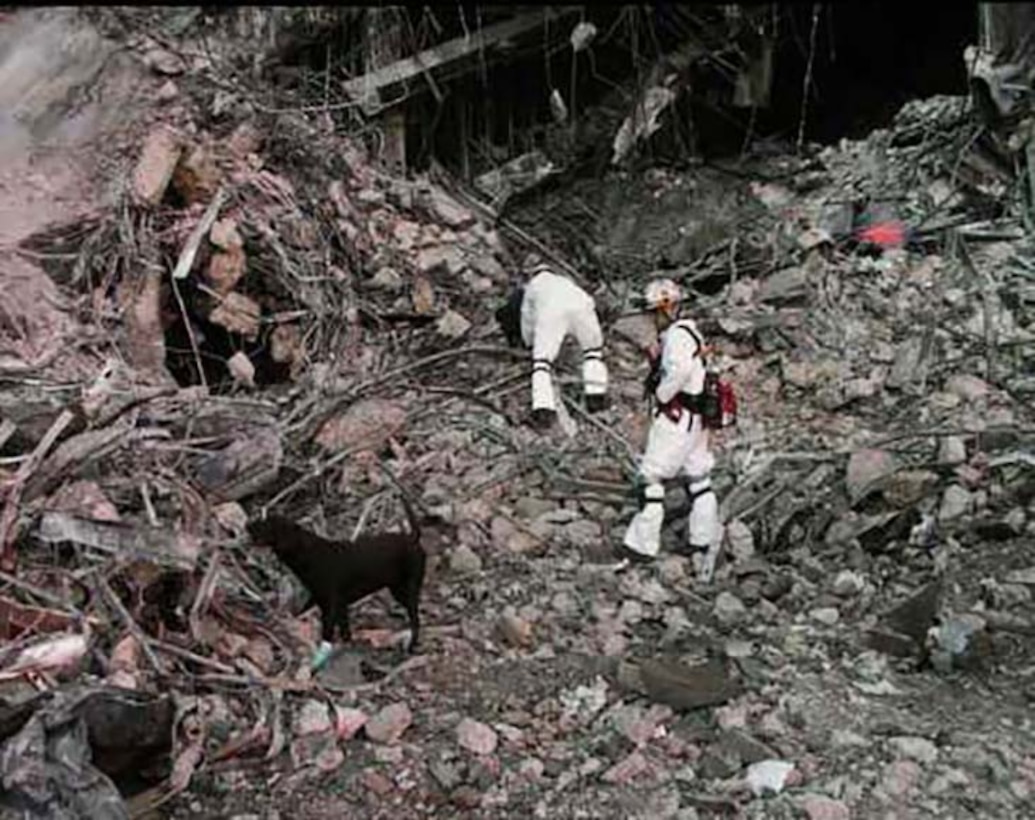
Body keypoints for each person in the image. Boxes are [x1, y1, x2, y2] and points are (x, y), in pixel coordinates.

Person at [620, 277, 721, 576]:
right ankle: (702, 540)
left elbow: (679, 370)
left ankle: (641, 548)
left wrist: (662, 394)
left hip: (678, 418)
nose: (651, 317)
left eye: (654, 311)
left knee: (651, 478)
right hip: (697, 419)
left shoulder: (677, 335)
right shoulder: (691, 331)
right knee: (699, 476)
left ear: (666, 309)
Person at [495, 253, 609, 425]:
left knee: (541, 363)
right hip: (583, 307)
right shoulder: (564, 281)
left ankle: (544, 411)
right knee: (593, 353)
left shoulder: (533, 287)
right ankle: (596, 399)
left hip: (552, 312)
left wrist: (530, 343)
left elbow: (527, 318)